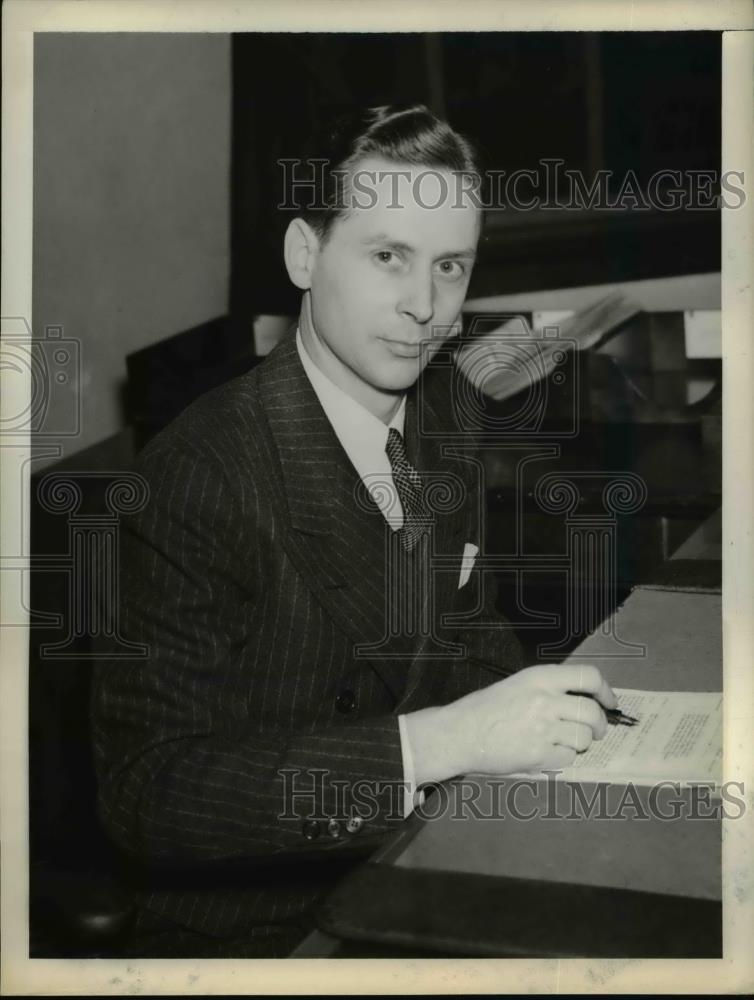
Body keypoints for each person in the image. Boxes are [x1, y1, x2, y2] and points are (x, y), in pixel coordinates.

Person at [91, 104, 617, 958]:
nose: (424, 307)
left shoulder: (444, 411)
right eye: (388, 257)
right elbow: (149, 794)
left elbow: (466, 626)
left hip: (424, 858)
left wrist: (551, 724)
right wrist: (445, 741)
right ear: (306, 254)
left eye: (451, 266)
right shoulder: (197, 476)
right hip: (269, 927)